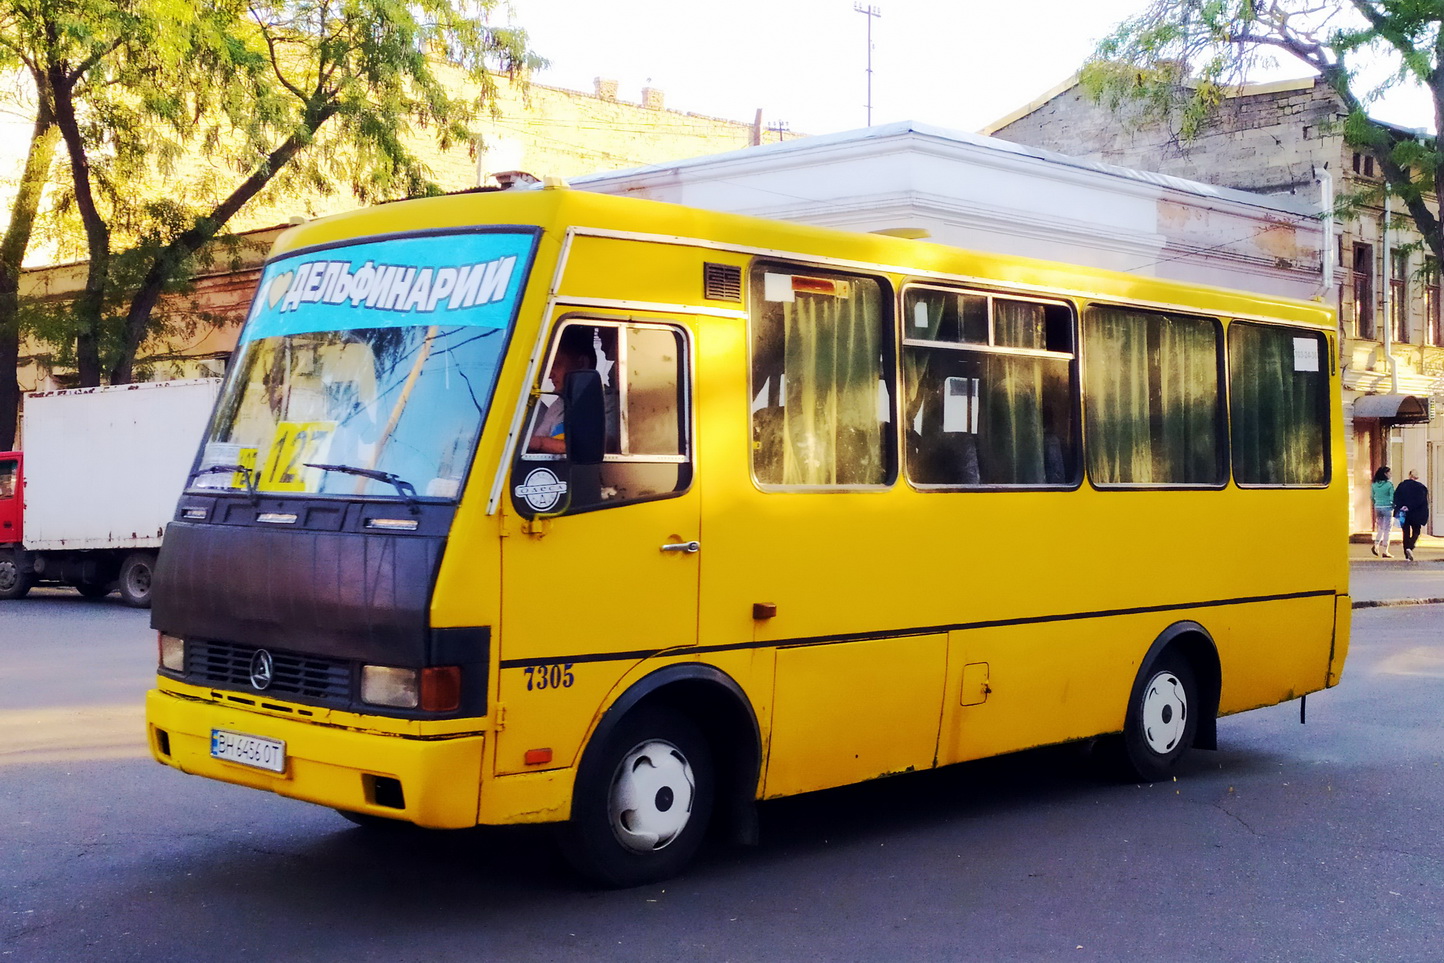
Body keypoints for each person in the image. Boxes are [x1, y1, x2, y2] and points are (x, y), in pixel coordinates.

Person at [1393, 469, 1430, 561]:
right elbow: (1421, 501)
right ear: (1417, 477)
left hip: (1404, 512)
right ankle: (1410, 546)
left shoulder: (1402, 486)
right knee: (1416, 531)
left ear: (1409, 475)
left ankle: (1406, 553)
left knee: (1405, 532)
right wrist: (1410, 507)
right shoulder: (1421, 487)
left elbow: (1396, 497)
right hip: (1416, 513)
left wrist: (1402, 506)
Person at [1371, 465, 1396, 558]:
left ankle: (1376, 545)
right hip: (1388, 508)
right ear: (1385, 474)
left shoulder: (1374, 484)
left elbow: (1372, 496)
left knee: (1380, 528)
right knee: (1388, 529)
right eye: (1389, 472)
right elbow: (1392, 497)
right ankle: (1385, 550)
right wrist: (1393, 505)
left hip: (1378, 507)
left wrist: (1376, 503)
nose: (1391, 474)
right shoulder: (1389, 485)